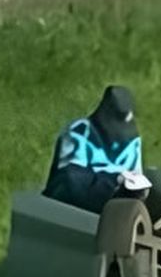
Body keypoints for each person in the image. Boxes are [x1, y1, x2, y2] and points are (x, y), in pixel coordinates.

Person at [43, 85, 151, 213]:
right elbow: (70, 179)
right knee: (71, 180)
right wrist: (115, 180)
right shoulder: (79, 132)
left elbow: (136, 179)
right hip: (73, 205)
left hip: (115, 206)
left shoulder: (132, 141)